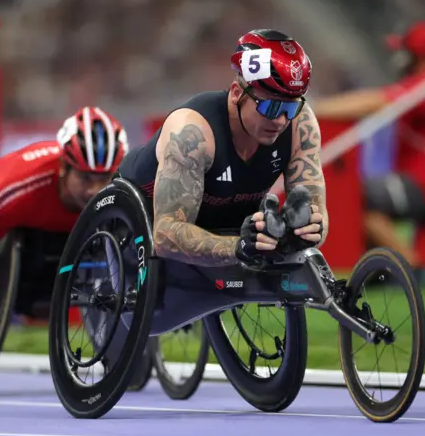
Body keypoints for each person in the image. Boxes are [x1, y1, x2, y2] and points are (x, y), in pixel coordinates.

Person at [118, 29, 327, 269]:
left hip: (224, 214)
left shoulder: (301, 125)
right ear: (237, 94)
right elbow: (165, 235)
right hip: (143, 210)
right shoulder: (192, 132)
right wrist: (238, 247)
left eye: (290, 109)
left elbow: (318, 212)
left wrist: (310, 229)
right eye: (271, 107)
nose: (281, 121)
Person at [0, 106, 128, 346]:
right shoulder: (14, 191)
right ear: (64, 168)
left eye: (104, 179)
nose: (95, 191)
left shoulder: (124, 185)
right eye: (86, 178)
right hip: (30, 230)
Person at [312, 21, 425, 274]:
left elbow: (375, 101)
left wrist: (313, 108)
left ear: (412, 55)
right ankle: (383, 269)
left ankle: (413, 268)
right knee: (359, 194)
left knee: (357, 196)